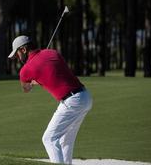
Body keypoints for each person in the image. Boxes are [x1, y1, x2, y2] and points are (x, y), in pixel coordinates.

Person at [8, 35, 93, 165]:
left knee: (49, 139)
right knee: (65, 141)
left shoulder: (25, 70)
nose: (18, 58)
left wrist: (33, 82)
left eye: (17, 54)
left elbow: (26, 88)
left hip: (72, 101)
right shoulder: (52, 52)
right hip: (85, 97)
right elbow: (56, 71)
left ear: (24, 50)